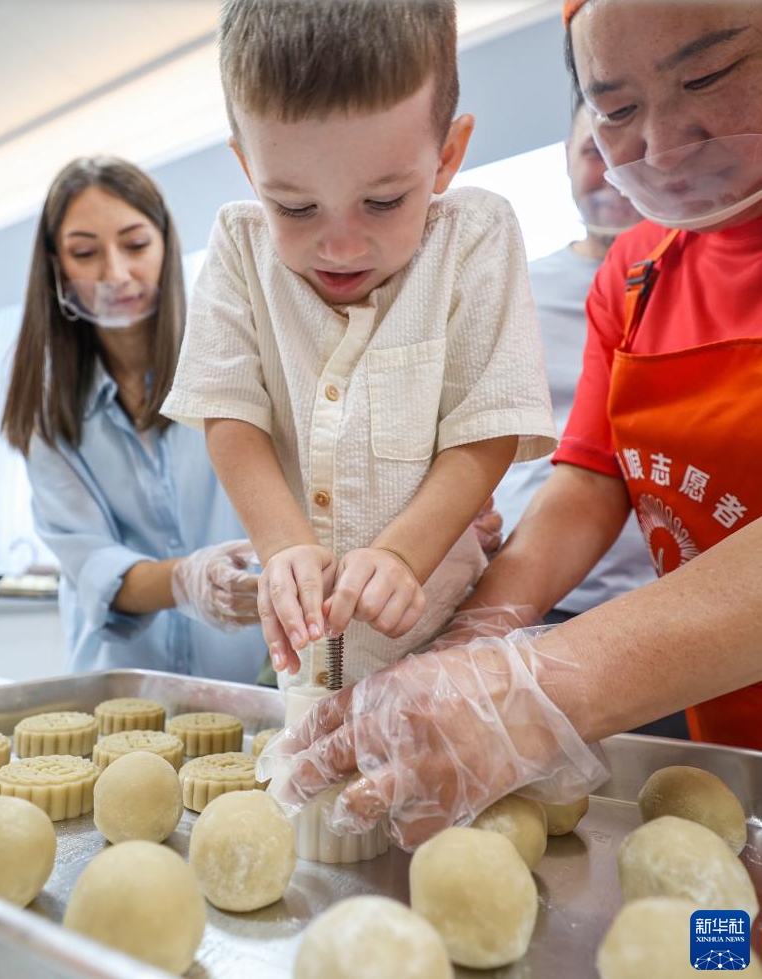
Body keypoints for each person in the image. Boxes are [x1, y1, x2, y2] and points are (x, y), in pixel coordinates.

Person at [258, 0, 762, 848]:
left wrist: (532, 689)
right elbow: (590, 481)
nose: (662, 143)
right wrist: (472, 643)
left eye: (707, 76)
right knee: (722, 918)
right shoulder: (634, 272)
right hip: (726, 730)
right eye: (616, 109)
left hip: (665, 663)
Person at [162, 0, 557, 688]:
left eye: (383, 202)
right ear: (249, 169)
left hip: (443, 644)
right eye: (295, 207)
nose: (340, 246)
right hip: (307, 657)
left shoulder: (475, 236)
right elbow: (231, 415)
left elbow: (486, 428)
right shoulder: (238, 246)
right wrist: (282, 543)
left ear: (447, 155)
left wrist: (403, 555)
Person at [1, 156, 267, 681]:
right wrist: (188, 579)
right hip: (117, 687)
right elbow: (92, 565)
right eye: (85, 253)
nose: (115, 275)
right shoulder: (49, 416)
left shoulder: (234, 362)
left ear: (167, 245)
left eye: (136, 245)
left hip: (247, 679)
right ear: (57, 267)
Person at [493, 100, 653, 624]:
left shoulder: (707, 286)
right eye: (594, 151)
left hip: (675, 594)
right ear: (565, 156)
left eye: (638, 154)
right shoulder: (511, 291)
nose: (616, 172)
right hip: (534, 595)